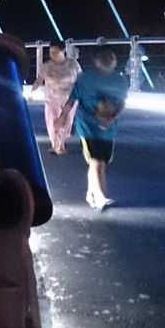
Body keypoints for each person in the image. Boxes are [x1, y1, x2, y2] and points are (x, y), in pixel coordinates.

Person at [54, 46, 128, 212]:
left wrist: (111, 119)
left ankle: (91, 193)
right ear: (96, 61)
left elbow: (122, 103)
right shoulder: (85, 80)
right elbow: (72, 100)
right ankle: (101, 197)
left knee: (100, 162)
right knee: (96, 161)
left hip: (108, 129)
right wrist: (62, 117)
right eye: (104, 57)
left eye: (111, 57)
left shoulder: (121, 80)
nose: (108, 60)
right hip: (87, 126)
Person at [31, 41, 82, 154]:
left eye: (55, 52)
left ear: (63, 51)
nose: (52, 55)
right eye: (50, 52)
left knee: (66, 121)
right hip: (52, 98)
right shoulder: (47, 66)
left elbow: (81, 78)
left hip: (69, 98)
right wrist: (32, 93)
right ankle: (55, 144)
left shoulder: (73, 64)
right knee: (52, 121)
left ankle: (61, 143)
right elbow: (39, 80)